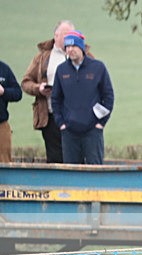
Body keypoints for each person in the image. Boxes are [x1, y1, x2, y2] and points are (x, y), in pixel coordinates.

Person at [51, 30, 114, 165]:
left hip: (92, 132)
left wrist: (101, 123)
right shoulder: (61, 70)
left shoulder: (98, 68)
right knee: (71, 173)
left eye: (73, 46)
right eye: (67, 47)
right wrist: (61, 123)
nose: (70, 50)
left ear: (81, 47)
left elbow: (108, 97)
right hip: (69, 133)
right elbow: (55, 99)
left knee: (95, 172)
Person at [21, 20, 79, 163]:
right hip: (51, 116)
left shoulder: (83, 55)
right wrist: (39, 88)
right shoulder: (43, 57)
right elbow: (25, 82)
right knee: (55, 159)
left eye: (72, 35)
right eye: (65, 35)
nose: (69, 39)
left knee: (77, 158)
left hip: (77, 117)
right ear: (56, 35)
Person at [0, 60, 23, 163]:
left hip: (1, 125)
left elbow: (18, 93)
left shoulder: (4, 69)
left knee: (4, 162)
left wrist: (4, 92)